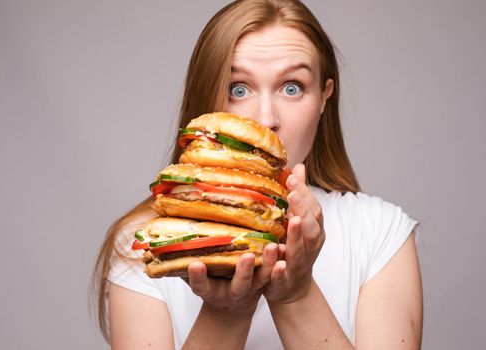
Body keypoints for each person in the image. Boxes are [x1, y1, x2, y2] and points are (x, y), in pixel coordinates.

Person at [91, 0, 423, 349]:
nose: (265, 119)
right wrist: (225, 314)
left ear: (325, 97)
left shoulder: (381, 234)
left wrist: (296, 295)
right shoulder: (142, 246)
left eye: (292, 87)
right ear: (207, 96)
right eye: (238, 89)